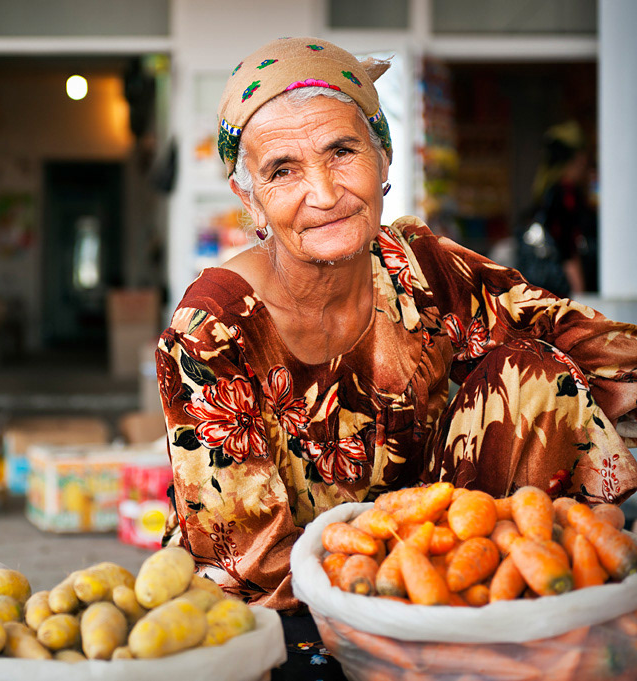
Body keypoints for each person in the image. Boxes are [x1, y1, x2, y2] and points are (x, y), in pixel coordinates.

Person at [155, 37, 637, 678]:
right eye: (283, 170)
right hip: (288, 613)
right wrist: (395, 611)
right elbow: (251, 559)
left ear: (382, 158)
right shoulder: (213, 328)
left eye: (342, 152)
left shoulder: (418, 264)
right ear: (251, 200)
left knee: (533, 372)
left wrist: (445, 583)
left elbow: (578, 335)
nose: (324, 194)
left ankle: (521, 600)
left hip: (439, 573)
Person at [516, 121, 598, 297]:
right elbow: (567, 246)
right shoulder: (566, 194)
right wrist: (580, 297)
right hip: (564, 293)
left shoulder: (547, 190)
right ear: (579, 158)